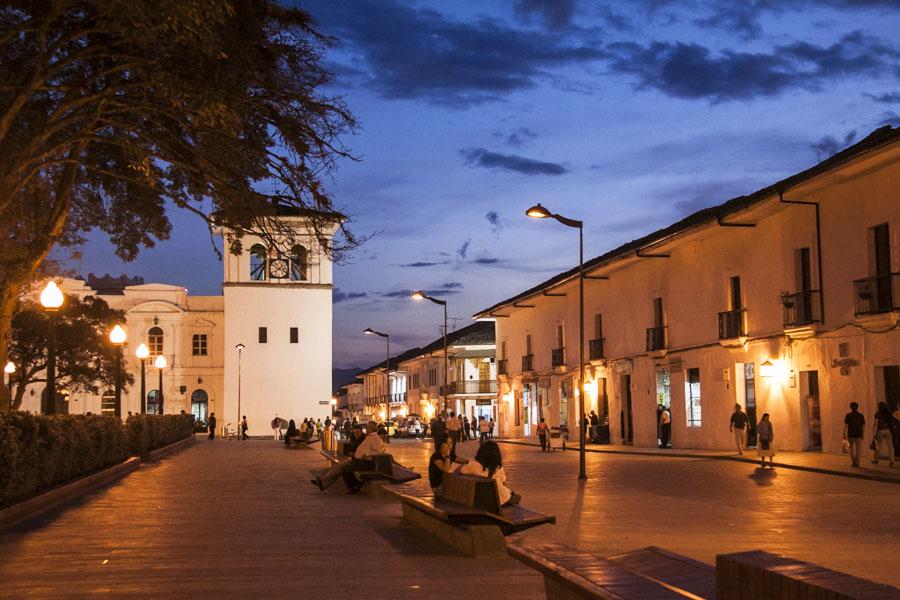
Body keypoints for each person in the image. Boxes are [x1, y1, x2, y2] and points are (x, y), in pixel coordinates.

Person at [459, 441, 520, 506]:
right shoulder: (498, 467)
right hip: (497, 500)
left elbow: (461, 471)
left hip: (477, 499)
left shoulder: (473, 465)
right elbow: (503, 481)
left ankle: (510, 492)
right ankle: (511, 492)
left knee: (509, 492)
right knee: (516, 497)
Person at [340, 421, 385, 494]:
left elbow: (378, 451)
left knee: (345, 469)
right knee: (344, 468)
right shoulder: (369, 437)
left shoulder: (375, 438)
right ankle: (355, 485)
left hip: (365, 462)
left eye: (367, 427)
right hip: (359, 460)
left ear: (371, 428)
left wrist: (366, 454)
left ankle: (354, 486)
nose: (366, 429)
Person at [872, 401, 895, 466]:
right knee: (890, 446)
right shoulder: (888, 414)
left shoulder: (877, 414)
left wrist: (874, 433)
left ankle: (876, 460)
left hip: (880, 431)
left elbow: (876, 424)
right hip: (887, 431)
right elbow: (891, 423)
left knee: (877, 446)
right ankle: (892, 460)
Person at [843, 402, 865, 468]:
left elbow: (846, 425)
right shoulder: (861, 415)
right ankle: (857, 463)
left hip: (851, 434)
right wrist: (863, 434)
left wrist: (844, 433)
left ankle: (853, 462)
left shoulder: (848, 415)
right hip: (859, 434)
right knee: (858, 449)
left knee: (851, 449)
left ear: (851, 407)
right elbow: (863, 426)